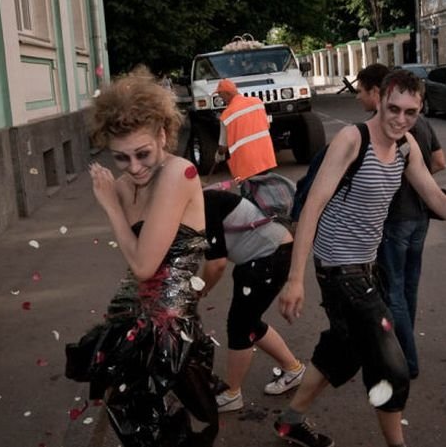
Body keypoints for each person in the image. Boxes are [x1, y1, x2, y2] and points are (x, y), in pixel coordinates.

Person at [274, 69, 446, 447]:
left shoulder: (406, 145)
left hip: (369, 268)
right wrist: (296, 278)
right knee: (393, 367)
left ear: (420, 110)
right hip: (340, 272)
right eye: (394, 109)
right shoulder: (352, 140)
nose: (401, 119)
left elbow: (436, 199)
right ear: (380, 99)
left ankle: (290, 422)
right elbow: (313, 206)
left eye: (411, 112)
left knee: (341, 350)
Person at [87, 67, 218, 447]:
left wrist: (111, 207)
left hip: (171, 335)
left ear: (163, 134)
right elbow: (136, 261)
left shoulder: (179, 173)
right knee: (137, 428)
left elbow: (144, 265)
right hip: (133, 325)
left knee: (171, 433)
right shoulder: (128, 186)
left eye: (142, 153)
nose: (134, 167)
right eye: (121, 158)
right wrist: (119, 198)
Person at [358, 64, 446, 379]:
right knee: (408, 288)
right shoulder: (420, 124)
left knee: (393, 291)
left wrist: (397, 180)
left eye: (362, 90)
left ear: (377, 92)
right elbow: (440, 162)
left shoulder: (380, 131)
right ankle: (403, 343)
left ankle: (405, 360)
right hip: (419, 219)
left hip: (394, 221)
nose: (400, 116)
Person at [200, 188, 305, 413]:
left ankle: (232, 394)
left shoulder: (204, 205)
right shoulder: (202, 199)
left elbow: (216, 264)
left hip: (268, 257)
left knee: (239, 326)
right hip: (266, 256)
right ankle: (293, 369)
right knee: (248, 321)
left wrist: (200, 290)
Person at [214, 79, 277, 181]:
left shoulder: (226, 116)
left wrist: (219, 155)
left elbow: (223, 146)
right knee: (267, 192)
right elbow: (266, 126)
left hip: (245, 165)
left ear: (227, 94)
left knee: (249, 195)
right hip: (265, 158)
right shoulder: (257, 103)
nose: (221, 98)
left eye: (221, 95)